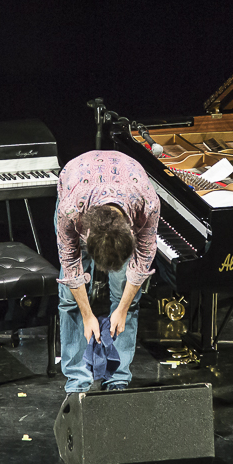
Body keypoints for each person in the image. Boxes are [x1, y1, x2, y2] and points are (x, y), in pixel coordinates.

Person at [55, 150, 159, 393]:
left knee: (128, 298)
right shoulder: (70, 211)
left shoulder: (147, 205)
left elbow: (142, 263)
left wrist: (121, 310)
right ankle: (77, 381)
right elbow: (71, 266)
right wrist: (87, 315)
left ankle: (117, 378)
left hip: (128, 180)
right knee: (70, 300)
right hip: (76, 178)